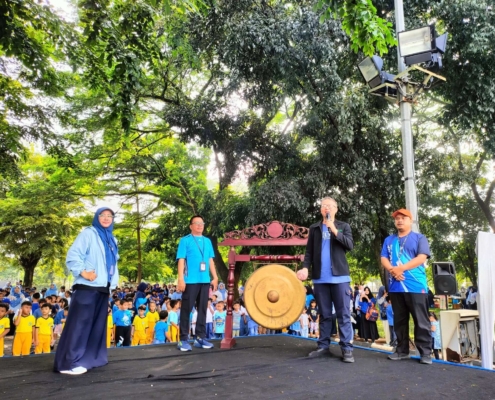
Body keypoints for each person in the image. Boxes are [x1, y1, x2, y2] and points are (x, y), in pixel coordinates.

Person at [54, 207, 120, 375]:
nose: (106, 218)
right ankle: (69, 363)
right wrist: (83, 272)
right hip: (87, 287)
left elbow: (113, 264)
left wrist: (111, 284)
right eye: (102, 215)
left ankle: (90, 359)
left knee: (96, 326)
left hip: (103, 287)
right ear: (97, 217)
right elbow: (73, 255)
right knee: (79, 325)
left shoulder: (112, 239)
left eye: (110, 216)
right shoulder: (88, 234)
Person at [297, 197, 355, 363]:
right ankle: (323, 346)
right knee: (324, 314)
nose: (326, 208)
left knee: (343, 314)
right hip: (320, 279)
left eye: (329, 206)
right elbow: (309, 252)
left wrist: (334, 230)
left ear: (336, 209)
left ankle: (347, 349)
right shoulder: (314, 228)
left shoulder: (343, 226)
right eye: (323, 206)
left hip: (340, 278)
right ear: (321, 209)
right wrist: (305, 268)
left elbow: (349, 245)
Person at [381, 208, 432, 364]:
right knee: (399, 321)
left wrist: (400, 269)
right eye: (397, 218)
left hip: (416, 286)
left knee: (421, 321)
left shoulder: (419, 238)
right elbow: (384, 258)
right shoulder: (389, 240)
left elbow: (422, 258)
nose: (399, 220)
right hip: (395, 286)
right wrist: (393, 271)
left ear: (411, 220)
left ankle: (425, 353)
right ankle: (402, 351)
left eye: (403, 218)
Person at [176, 215, 218, 351]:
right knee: (186, 310)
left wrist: (215, 277)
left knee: (203, 310)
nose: (200, 225)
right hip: (190, 281)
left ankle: (200, 338)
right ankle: (183, 339)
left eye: (202, 223)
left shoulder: (207, 241)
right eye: (197, 223)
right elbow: (181, 260)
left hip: (205, 281)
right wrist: (181, 279)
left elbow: (210, 260)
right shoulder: (185, 240)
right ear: (191, 226)